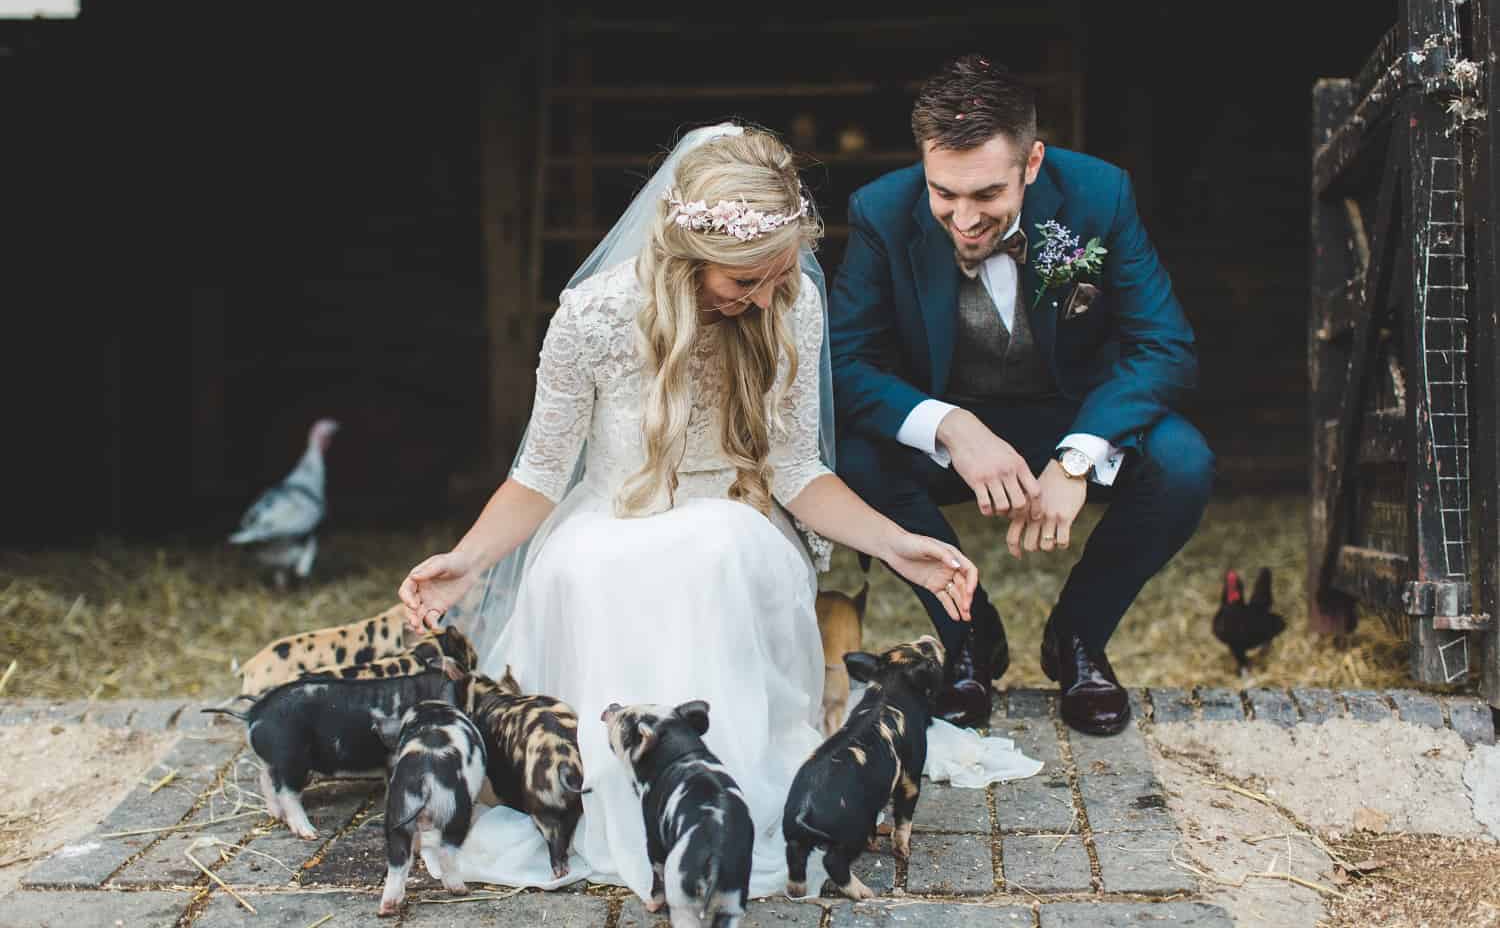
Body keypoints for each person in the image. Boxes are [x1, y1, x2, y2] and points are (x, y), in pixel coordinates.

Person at [396, 123, 1039, 898]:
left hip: (736, 521)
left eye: (778, 278)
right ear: (687, 259)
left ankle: (722, 790)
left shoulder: (788, 304)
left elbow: (799, 470)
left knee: (714, 546)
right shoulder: (592, 318)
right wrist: (467, 561)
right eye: (746, 284)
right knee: (597, 563)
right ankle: (607, 796)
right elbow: (538, 473)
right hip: (608, 524)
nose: (768, 295)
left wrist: (898, 544)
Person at [829, 55, 1213, 736]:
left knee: (1182, 461)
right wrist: (951, 426)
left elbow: (1165, 346)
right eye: (944, 193)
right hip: (951, 430)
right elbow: (847, 363)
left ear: (1032, 162)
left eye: (987, 196)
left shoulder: (1100, 196)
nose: (965, 217)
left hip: (1070, 415)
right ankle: (967, 637)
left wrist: (1077, 459)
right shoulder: (882, 212)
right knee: (856, 459)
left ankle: (1079, 638)